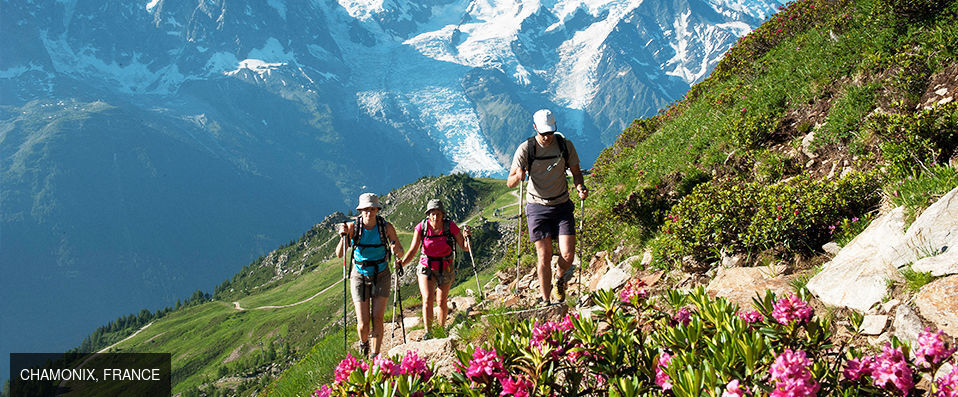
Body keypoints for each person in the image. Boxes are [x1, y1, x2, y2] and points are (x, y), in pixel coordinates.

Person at [506, 109, 589, 305]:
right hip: (537, 207)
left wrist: (580, 187)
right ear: (535, 128)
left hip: (561, 205)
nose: (547, 137)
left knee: (568, 255)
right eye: (543, 133)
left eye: (550, 132)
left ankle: (559, 279)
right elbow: (509, 182)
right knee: (544, 256)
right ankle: (545, 300)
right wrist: (518, 176)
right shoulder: (526, 149)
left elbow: (576, 172)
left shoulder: (564, 145)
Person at [336, 193, 405, 358]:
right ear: (361, 210)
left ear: (377, 209)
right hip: (359, 275)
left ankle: (375, 355)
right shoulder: (354, 228)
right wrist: (343, 237)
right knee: (362, 323)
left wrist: (397, 251)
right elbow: (340, 254)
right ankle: (363, 343)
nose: (369, 212)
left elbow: (400, 251)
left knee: (378, 318)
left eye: (372, 209)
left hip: (382, 274)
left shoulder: (386, 227)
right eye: (366, 209)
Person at [399, 199, 470, 339]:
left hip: (445, 266)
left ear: (442, 215)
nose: (435, 217)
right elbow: (413, 250)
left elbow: (465, 247)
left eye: (438, 214)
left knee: (442, 301)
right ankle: (428, 331)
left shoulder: (450, 226)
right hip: (427, 266)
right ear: (428, 215)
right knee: (427, 298)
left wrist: (467, 237)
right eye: (432, 214)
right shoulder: (421, 227)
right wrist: (402, 263)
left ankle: (441, 329)